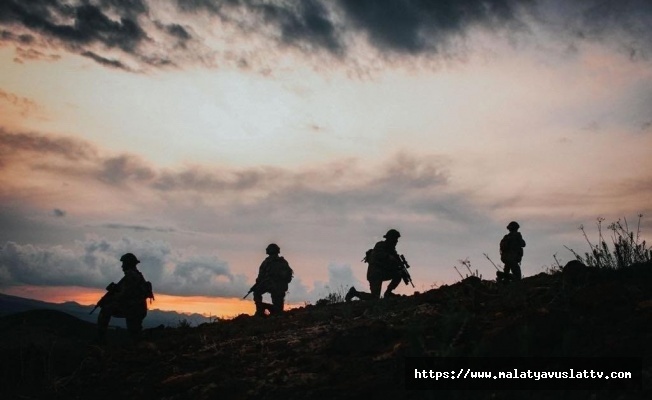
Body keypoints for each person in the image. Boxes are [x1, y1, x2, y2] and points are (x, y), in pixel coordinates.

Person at [97, 253, 149, 343]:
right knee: (135, 335)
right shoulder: (135, 275)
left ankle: (100, 339)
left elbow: (123, 295)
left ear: (128, 264)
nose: (122, 266)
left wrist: (107, 300)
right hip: (136, 308)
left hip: (134, 309)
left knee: (106, 309)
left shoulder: (131, 276)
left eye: (124, 263)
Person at [346, 229, 403, 301]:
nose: (396, 241)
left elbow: (392, 264)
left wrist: (397, 264)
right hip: (375, 274)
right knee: (375, 298)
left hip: (382, 273)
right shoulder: (380, 245)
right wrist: (389, 257)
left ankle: (388, 293)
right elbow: (378, 255)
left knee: (399, 274)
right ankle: (354, 293)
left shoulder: (392, 250)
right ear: (390, 239)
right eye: (395, 239)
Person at [253, 243, 293, 316]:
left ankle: (260, 310)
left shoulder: (266, 262)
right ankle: (269, 310)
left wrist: (258, 284)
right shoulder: (283, 262)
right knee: (278, 310)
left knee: (256, 292)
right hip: (281, 287)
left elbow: (260, 277)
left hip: (271, 285)